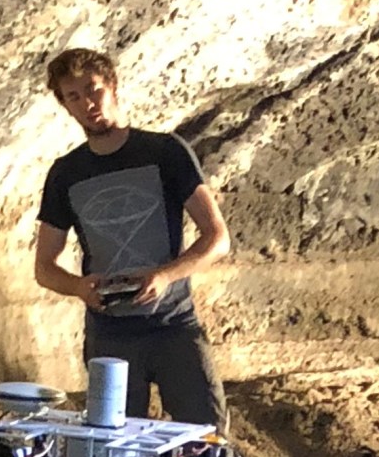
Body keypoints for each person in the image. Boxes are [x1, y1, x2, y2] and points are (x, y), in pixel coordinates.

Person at [33, 48, 232, 427]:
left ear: (112, 87)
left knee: (207, 437)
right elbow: (44, 267)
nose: (88, 103)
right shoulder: (65, 174)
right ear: (65, 106)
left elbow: (217, 237)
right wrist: (80, 287)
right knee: (111, 447)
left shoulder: (164, 152)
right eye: (73, 96)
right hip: (110, 336)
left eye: (93, 90)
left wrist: (165, 276)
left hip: (173, 324)